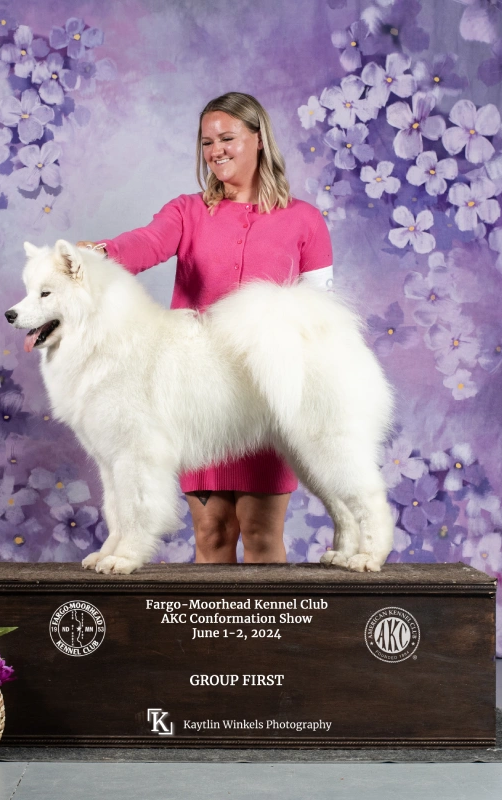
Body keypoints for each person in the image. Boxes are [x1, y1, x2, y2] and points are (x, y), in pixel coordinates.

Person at [79, 92, 333, 565]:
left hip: (267, 397)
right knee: (212, 532)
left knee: (260, 533)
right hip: (198, 398)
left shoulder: (305, 220)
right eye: (206, 142)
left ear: (258, 139)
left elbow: (322, 313)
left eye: (227, 138)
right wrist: (102, 253)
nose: (216, 150)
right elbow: (146, 244)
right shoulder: (186, 211)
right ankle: (215, 641)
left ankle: (266, 640)